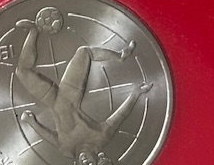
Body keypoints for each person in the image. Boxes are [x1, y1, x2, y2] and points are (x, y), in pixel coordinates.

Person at [12, 14, 152, 165]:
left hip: (51, 100)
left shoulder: (66, 150)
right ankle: (120, 56)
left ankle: (33, 30)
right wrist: (135, 94)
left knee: (22, 72)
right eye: (91, 164)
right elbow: (121, 115)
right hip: (70, 94)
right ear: (99, 159)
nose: (85, 162)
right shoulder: (102, 137)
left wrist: (32, 123)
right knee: (84, 52)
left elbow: (48, 135)